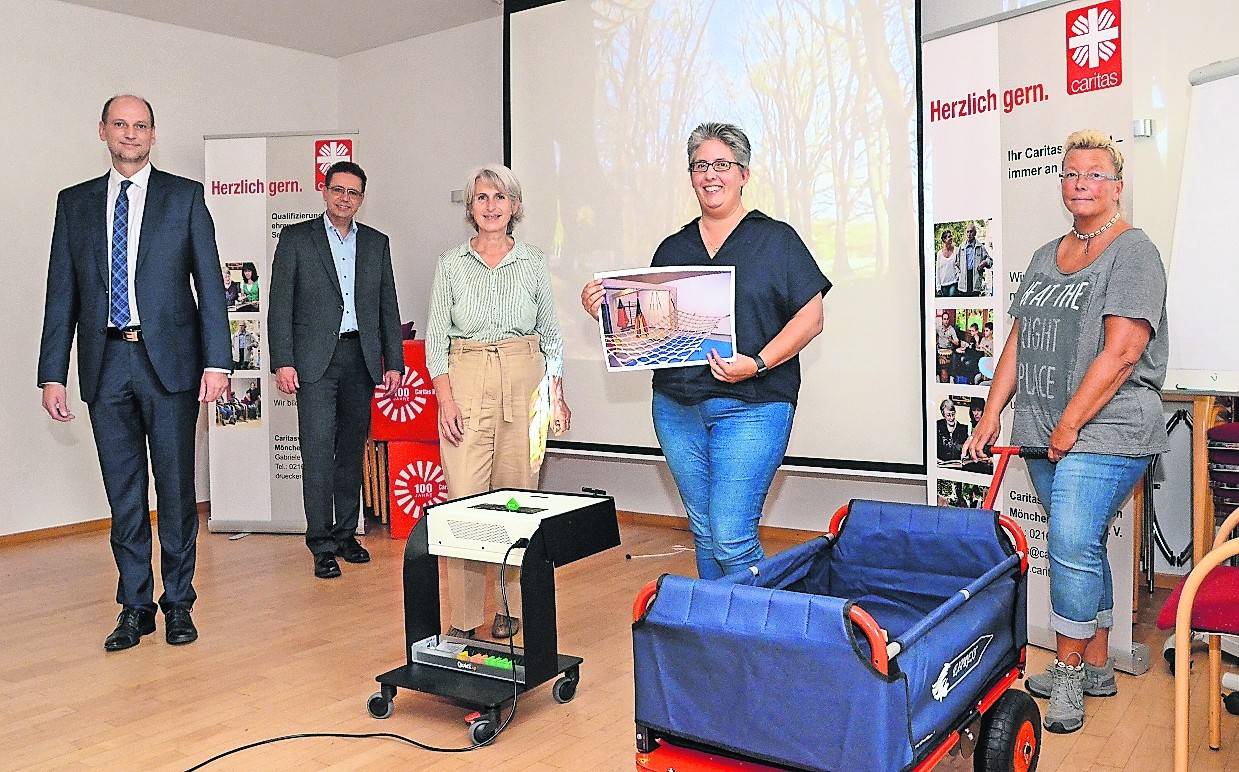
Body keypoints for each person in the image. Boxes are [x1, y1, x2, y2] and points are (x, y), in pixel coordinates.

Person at [964, 130, 1168, 734]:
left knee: (1072, 543)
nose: (1082, 182)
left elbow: (1126, 349)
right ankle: (1099, 664)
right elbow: (1021, 339)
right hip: (1047, 428)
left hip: (1110, 426)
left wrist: (1071, 423)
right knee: (1081, 546)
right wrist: (991, 411)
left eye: (1095, 174)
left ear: (1117, 185)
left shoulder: (1134, 251)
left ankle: (1071, 671)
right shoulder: (1044, 254)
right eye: (1072, 173)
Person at [580, 122, 830, 580]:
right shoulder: (673, 248)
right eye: (700, 165)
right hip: (677, 408)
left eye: (722, 164)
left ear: (743, 175)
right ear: (691, 175)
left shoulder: (777, 239)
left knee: (732, 535)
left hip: (754, 405)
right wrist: (605, 310)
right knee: (704, 530)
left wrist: (756, 363)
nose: (710, 174)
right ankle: (715, 642)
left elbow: (810, 318)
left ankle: (764, 638)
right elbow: (649, 331)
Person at [37, 95, 231, 651]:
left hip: (170, 365)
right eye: (119, 125)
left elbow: (210, 288)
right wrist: (53, 372)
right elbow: (61, 294)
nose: (130, 134)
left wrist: (218, 362)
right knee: (124, 498)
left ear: (153, 134)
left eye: (140, 125)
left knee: (174, 492)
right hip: (105, 365)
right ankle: (134, 606)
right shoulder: (74, 204)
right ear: (102, 131)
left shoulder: (185, 197)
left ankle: (178, 604)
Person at [427, 163, 571, 640]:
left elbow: (550, 332)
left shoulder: (531, 260)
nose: (491, 206)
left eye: (500, 197)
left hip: (524, 379)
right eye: (481, 198)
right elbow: (434, 342)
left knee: (517, 500)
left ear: (514, 206)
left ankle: (512, 608)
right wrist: (445, 401)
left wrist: (557, 393)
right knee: (464, 503)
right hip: (466, 379)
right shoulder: (451, 263)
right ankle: (465, 617)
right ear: (470, 208)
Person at [268, 161, 404, 580]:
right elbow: (280, 306)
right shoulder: (296, 239)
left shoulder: (377, 243)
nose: (345, 198)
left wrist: (393, 363)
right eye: (338, 190)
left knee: (349, 453)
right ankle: (320, 542)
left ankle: (346, 534)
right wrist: (282, 361)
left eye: (354, 193)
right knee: (317, 453)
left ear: (362, 198)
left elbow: (387, 306)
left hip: (359, 361)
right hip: (313, 363)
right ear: (324, 191)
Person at [957, 223, 993, 296]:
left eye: (971, 231)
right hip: (963, 281)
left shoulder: (980, 247)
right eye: (967, 232)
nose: (969, 234)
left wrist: (985, 262)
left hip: (975, 279)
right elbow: (956, 262)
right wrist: (959, 274)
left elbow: (990, 261)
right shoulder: (961, 247)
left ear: (975, 233)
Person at [936, 311, 959, 382]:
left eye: (947, 319)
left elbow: (957, 343)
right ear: (942, 320)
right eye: (944, 319)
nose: (946, 321)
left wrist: (951, 340)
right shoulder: (938, 328)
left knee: (955, 358)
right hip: (939, 349)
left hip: (948, 350)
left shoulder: (951, 330)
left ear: (949, 320)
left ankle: (952, 377)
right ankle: (937, 376)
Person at [936, 230, 959, 297]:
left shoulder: (956, 250)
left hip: (954, 282)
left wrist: (958, 276)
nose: (951, 238)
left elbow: (960, 265)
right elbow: (938, 271)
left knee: (951, 300)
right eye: (949, 236)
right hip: (943, 284)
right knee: (945, 306)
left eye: (951, 236)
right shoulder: (939, 254)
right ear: (944, 239)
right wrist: (938, 288)